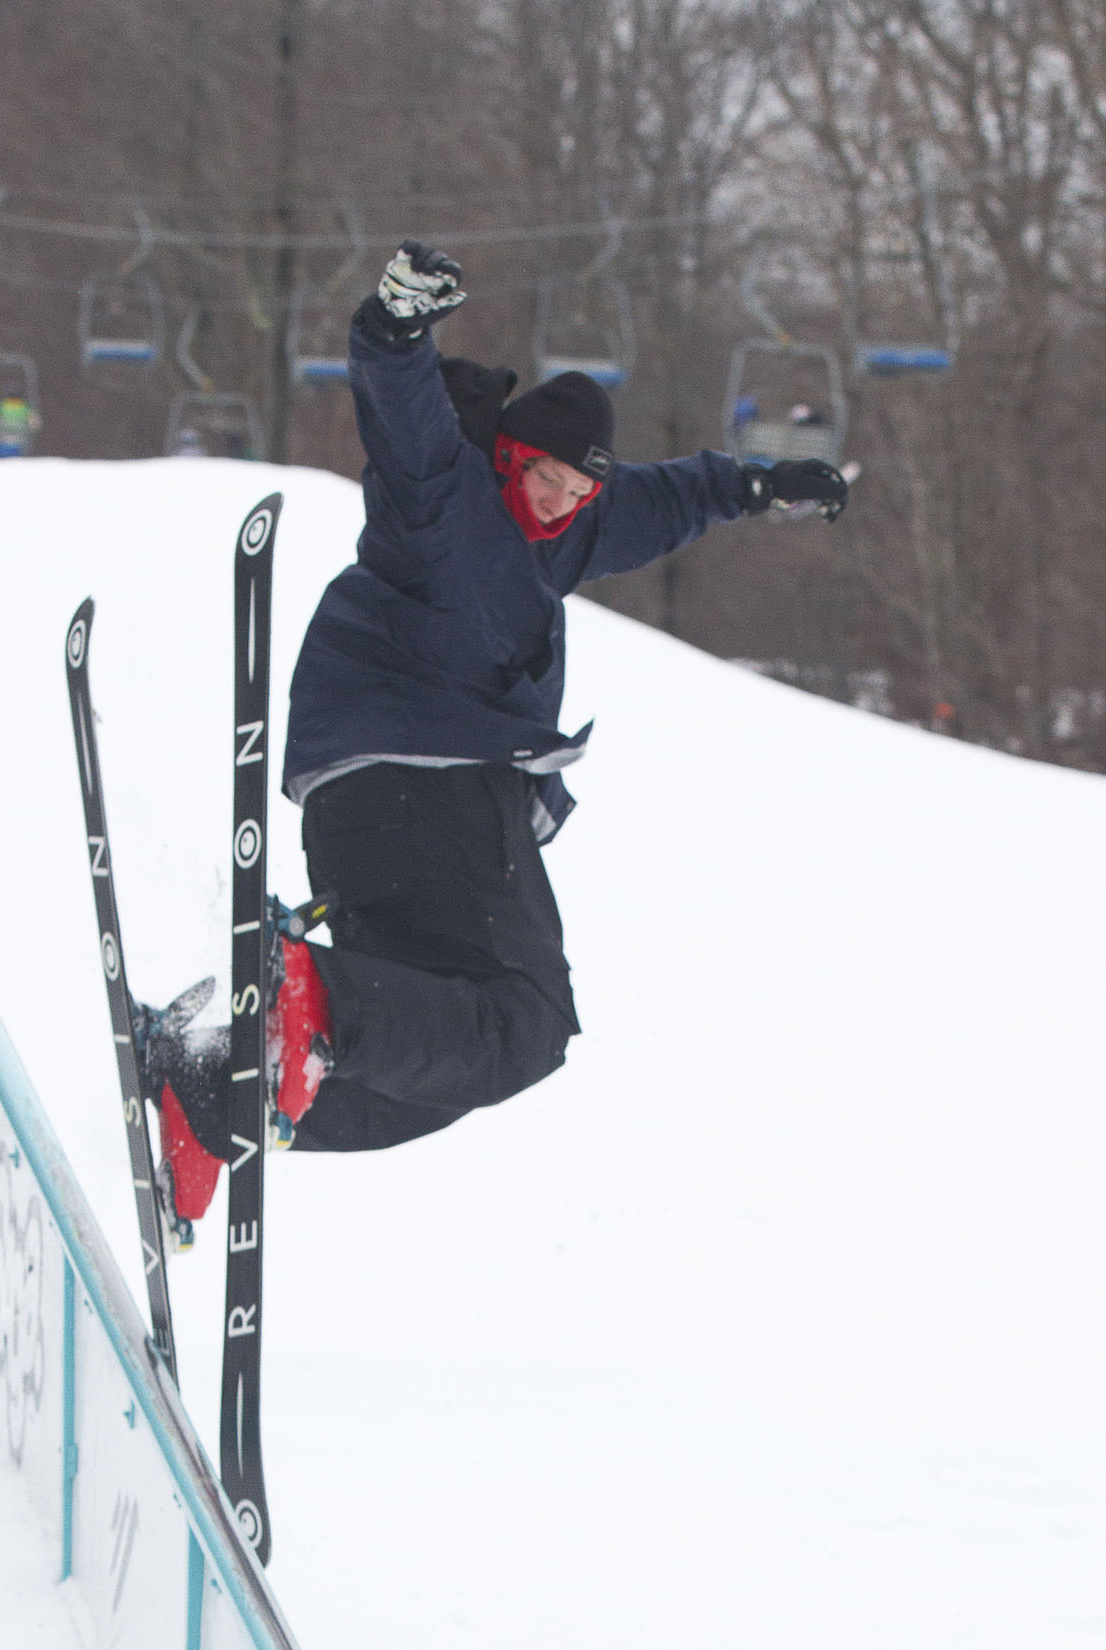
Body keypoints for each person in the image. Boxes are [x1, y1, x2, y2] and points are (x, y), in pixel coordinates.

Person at [138, 239, 849, 1218]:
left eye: (577, 494)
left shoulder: (563, 532)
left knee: (431, 1073)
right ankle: (313, 997)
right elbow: (406, 416)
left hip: (368, 815)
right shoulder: (448, 498)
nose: (557, 505)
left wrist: (759, 486)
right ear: (508, 454)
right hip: (424, 782)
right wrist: (394, 328)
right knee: (524, 1017)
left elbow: (663, 499)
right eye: (544, 478)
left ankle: (207, 1093)